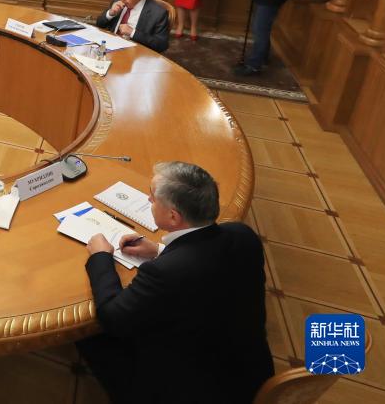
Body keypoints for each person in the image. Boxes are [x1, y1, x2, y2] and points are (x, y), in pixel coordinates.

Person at [76, 162, 273, 404]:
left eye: (153, 197)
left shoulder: (164, 272)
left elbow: (112, 317)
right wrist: (159, 250)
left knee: (86, 333)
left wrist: (101, 257)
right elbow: (205, 265)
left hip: (190, 390)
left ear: (173, 216)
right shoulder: (242, 234)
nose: (149, 199)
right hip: (251, 373)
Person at [94, 0, 170, 52]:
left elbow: (161, 45)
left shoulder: (158, 13)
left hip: (135, 53)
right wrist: (110, 13)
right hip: (109, 47)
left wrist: (133, 32)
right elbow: (99, 24)